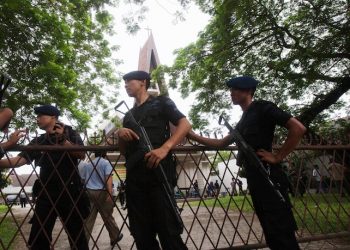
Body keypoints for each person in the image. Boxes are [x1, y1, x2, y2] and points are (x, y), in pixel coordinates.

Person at [188, 76, 306, 250]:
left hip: (269, 176)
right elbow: (221, 143)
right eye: (231, 90)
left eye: (236, 89)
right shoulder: (243, 119)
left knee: (281, 231)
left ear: (249, 91)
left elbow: (298, 128)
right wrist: (191, 135)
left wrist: (278, 156)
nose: (231, 93)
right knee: (270, 232)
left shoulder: (263, 108)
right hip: (255, 179)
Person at [117, 70, 191, 250]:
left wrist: (165, 148)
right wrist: (120, 134)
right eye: (124, 83)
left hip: (159, 175)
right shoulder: (128, 116)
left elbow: (185, 124)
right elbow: (123, 151)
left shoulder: (161, 102)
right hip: (135, 180)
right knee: (141, 235)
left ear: (143, 82)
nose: (125, 85)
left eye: (129, 81)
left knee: (169, 232)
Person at [0, 104, 88, 249]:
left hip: (70, 191)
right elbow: (19, 161)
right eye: (37, 116)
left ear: (53, 117)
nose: (37, 119)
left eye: (41, 116)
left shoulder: (70, 133)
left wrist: (62, 140)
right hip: (46, 192)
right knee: (38, 238)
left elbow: (81, 154)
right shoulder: (39, 141)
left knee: (77, 236)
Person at [79, 151, 123, 246]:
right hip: (102, 192)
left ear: (95, 155)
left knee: (89, 218)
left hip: (89, 192)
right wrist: (110, 193)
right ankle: (115, 236)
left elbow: (82, 179)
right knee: (107, 216)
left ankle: (83, 241)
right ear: (104, 154)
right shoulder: (106, 163)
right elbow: (108, 178)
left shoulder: (88, 164)